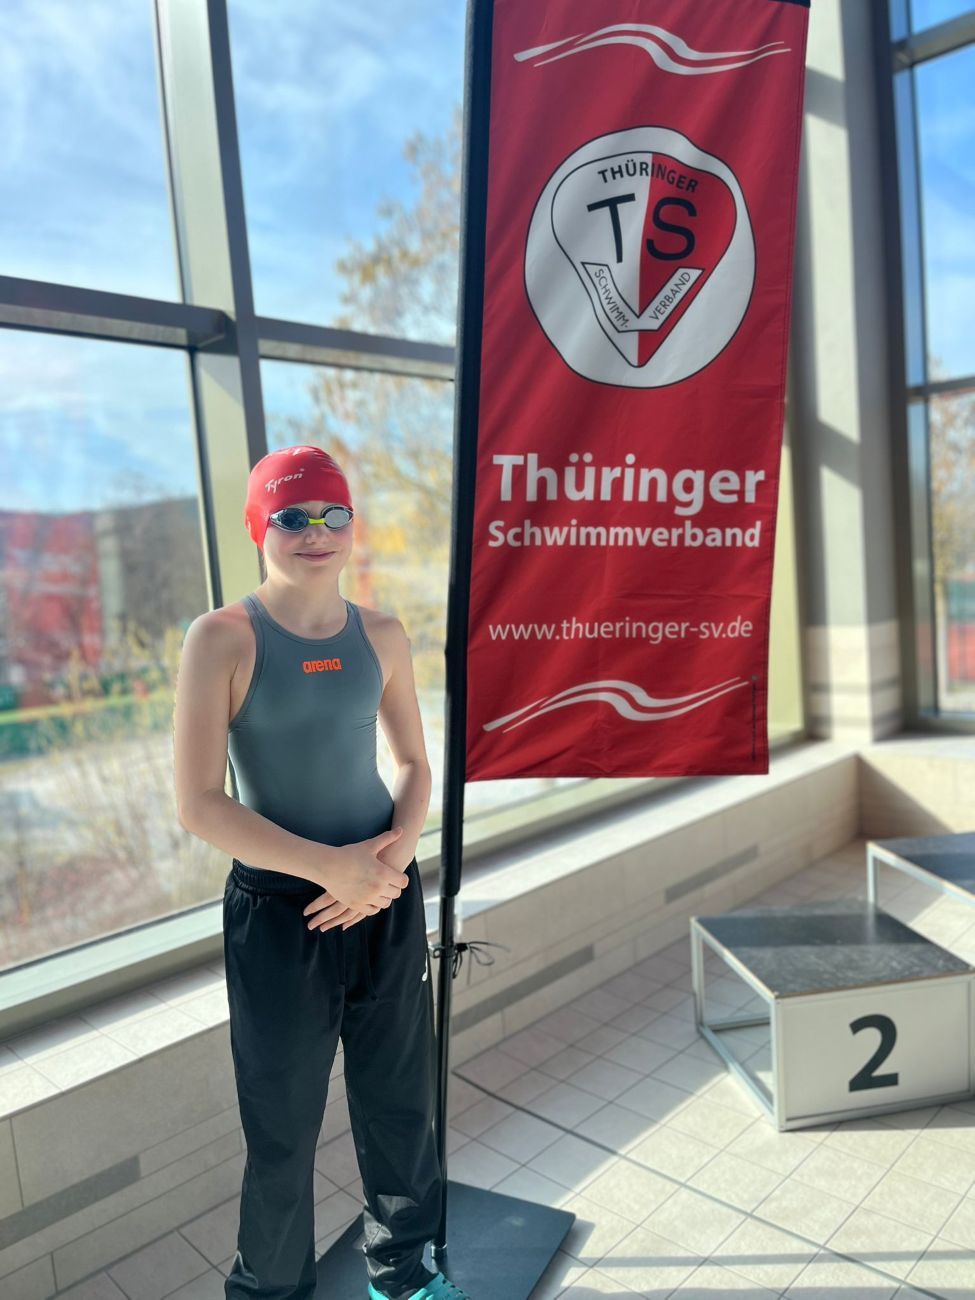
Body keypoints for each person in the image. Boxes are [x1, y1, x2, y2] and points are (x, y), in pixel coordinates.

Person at [173, 444, 467, 1300]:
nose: (316, 532)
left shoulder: (382, 633)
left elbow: (413, 764)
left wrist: (389, 860)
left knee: (400, 1103)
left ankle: (404, 1273)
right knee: (282, 1128)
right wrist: (328, 870)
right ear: (257, 525)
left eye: (333, 514)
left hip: (381, 892)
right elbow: (199, 803)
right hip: (281, 912)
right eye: (293, 516)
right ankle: (269, 1290)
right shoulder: (221, 638)